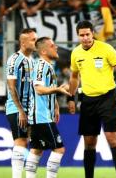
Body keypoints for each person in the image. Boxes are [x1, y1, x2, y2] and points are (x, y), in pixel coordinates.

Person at [68, 20, 116, 178]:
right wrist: (71, 97)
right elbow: (74, 77)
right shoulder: (76, 53)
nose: (85, 38)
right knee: (89, 142)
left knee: (112, 138)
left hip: (107, 98)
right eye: (81, 35)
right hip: (87, 100)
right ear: (78, 36)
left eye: (87, 34)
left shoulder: (106, 48)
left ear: (93, 33)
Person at [25, 37, 70, 178]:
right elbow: (38, 89)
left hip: (40, 115)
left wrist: (55, 106)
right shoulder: (41, 66)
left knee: (37, 150)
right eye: (52, 45)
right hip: (41, 115)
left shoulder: (48, 66)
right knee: (59, 149)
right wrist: (57, 90)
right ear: (43, 51)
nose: (56, 47)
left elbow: (46, 88)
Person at [5, 28, 37, 178]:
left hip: (30, 109)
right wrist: (20, 110)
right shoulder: (14, 59)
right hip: (17, 108)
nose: (35, 42)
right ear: (23, 42)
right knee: (21, 142)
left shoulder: (32, 60)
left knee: (28, 142)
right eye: (32, 40)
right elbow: (11, 86)